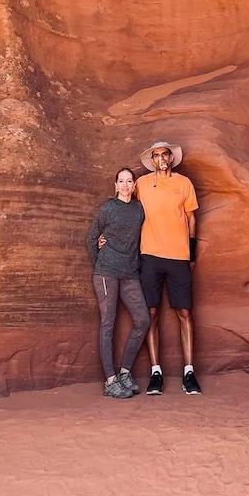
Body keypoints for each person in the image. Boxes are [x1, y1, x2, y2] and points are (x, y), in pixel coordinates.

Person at [135, 141, 202, 395]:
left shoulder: (184, 183)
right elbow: (128, 209)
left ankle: (188, 371)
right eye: (157, 155)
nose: (162, 159)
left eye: (165, 154)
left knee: (184, 311)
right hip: (150, 255)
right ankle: (156, 372)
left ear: (171, 158)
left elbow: (192, 217)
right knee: (151, 312)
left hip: (178, 256)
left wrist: (192, 252)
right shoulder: (141, 184)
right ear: (152, 161)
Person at [86, 168, 151, 398]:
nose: (125, 185)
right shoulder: (108, 208)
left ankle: (124, 372)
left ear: (134, 186)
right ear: (116, 185)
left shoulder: (139, 210)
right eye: (121, 181)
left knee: (143, 320)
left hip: (130, 274)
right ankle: (110, 380)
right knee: (108, 324)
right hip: (106, 273)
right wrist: (100, 263)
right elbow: (92, 237)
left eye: (129, 181)